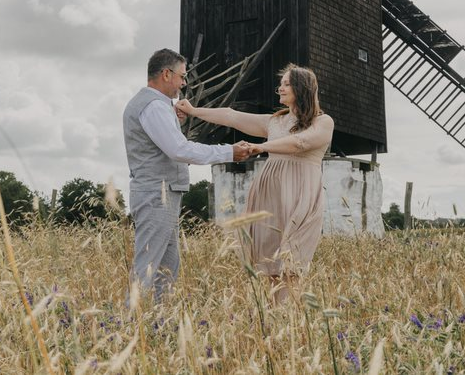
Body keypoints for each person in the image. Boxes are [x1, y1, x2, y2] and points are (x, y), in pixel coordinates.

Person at [175, 64, 334, 302]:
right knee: (272, 265)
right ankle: (275, 319)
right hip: (271, 193)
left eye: (286, 83)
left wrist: (261, 146)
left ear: (302, 89)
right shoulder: (274, 122)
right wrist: (194, 110)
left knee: (292, 265)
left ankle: (290, 318)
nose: (280, 88)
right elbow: (231, 116)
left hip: (301, 194)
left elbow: (300, 143)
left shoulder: (323, 123)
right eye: (281, 83)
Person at [123, 48, 251, 301]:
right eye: (182, 77)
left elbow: (164, 143)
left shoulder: (157, 107)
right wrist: (228, 152)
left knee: (168, 268)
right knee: (147, 266)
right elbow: (178, 149)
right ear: (166, 74)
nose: (184, 83)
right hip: (156, 195)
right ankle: (126, 328)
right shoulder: (154, 107)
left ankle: (163, 325)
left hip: (163, 194)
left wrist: (175, 122)